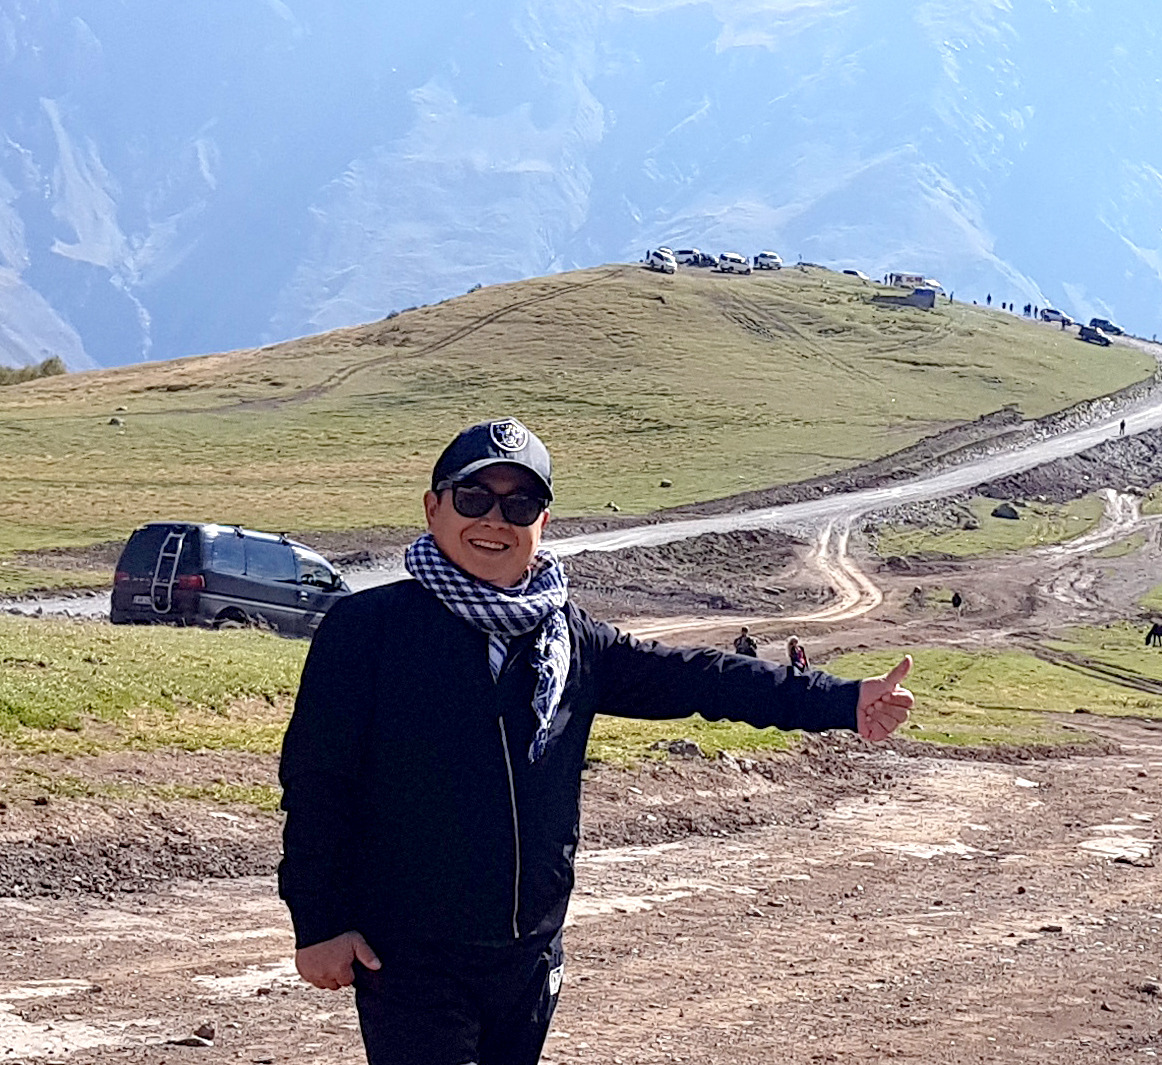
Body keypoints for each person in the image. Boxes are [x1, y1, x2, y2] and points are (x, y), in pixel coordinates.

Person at [279, 418, 915, 1065]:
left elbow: (701, 678)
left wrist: (840, 699)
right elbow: (316, 782)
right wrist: (319, 922)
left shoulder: (569, 639)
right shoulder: (368, 630)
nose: (495, 520)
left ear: (542, 522)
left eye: (519, 504)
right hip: (410, 958)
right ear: (433, 508)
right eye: (474, 498)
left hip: (529, 958)